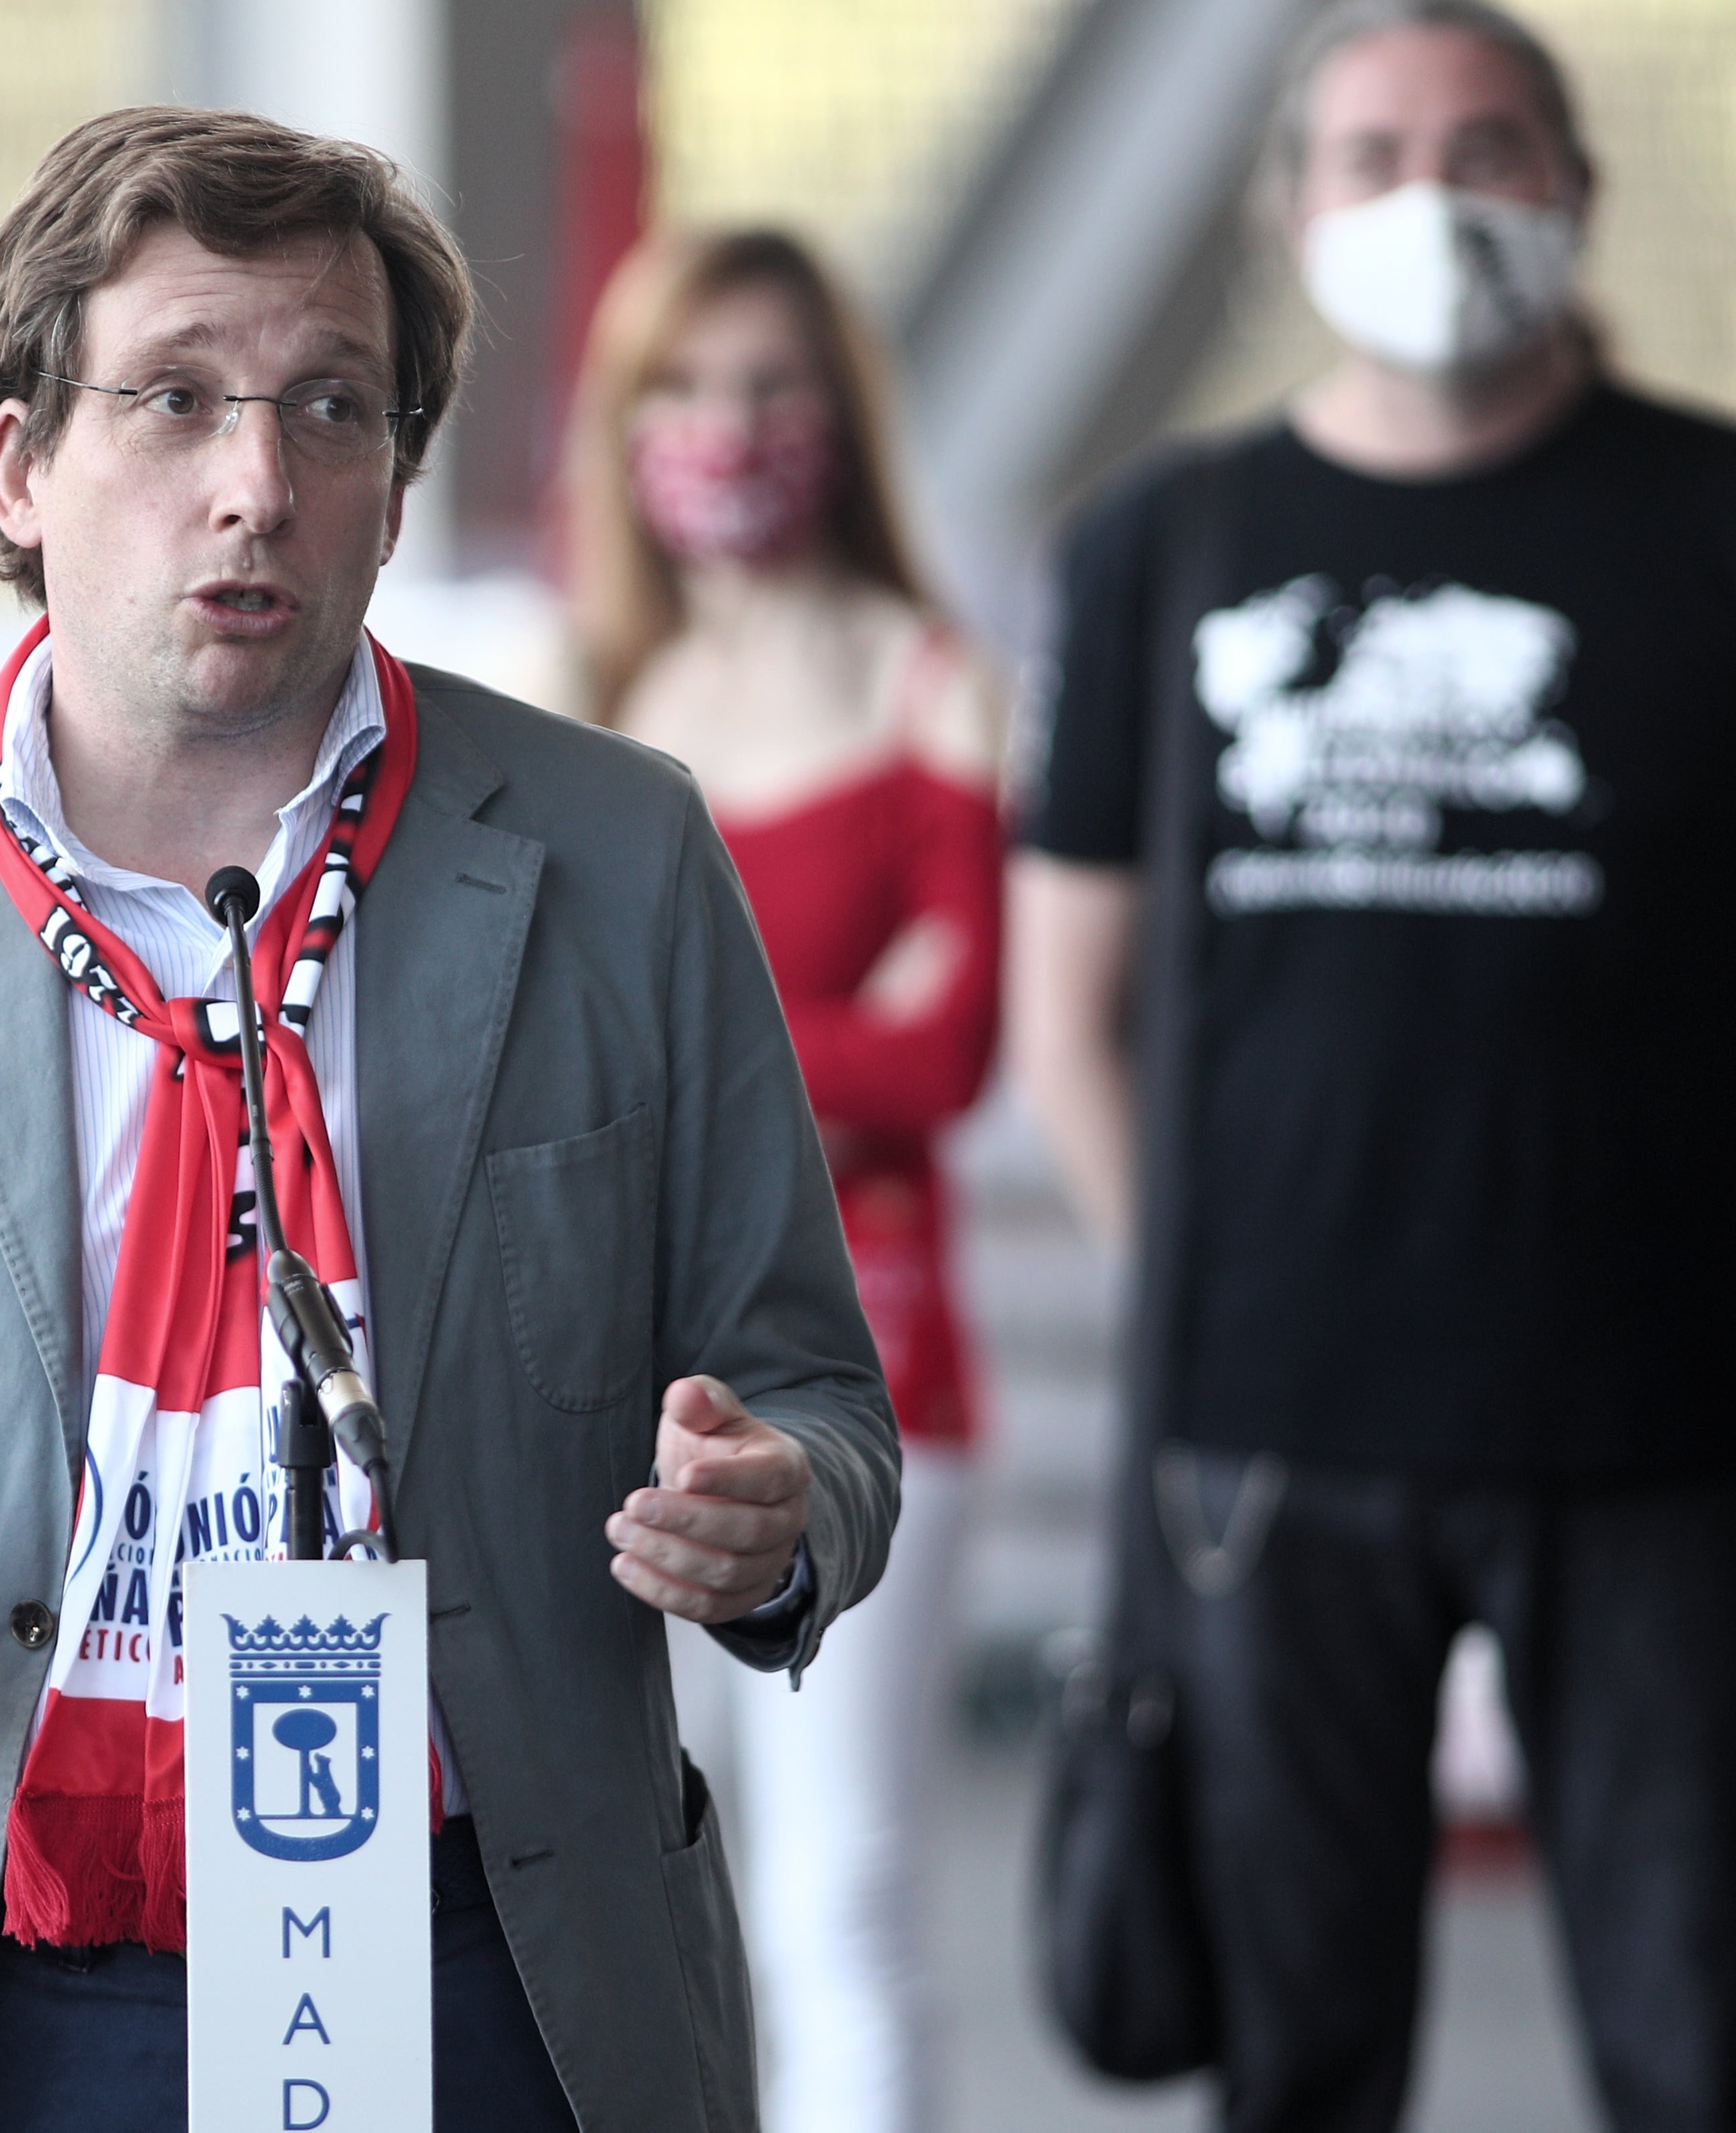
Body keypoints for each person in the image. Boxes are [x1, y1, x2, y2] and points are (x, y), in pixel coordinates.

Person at [0, 107, 901, 2133]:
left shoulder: (614, 855)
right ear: (21, 462)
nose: (256, 483)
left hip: (492, 1967)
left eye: (331, 406)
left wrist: (775, 1523)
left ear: (396, 486)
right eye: (172, 400)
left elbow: (820, 1407)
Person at [1011, 6, 1736, 2129]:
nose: (1436, 196)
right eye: (1377, 153)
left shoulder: (1712, 521)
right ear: (1292, 213)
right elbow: (1070, 1011)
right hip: (1273, 1441)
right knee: (1297, 2054)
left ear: (1574, 188)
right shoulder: (1165, 542)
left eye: (1489, 147)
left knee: (1696, 2032)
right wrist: (1204, 1312)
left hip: (1662, 1428)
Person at [564, 228, 1005, 2133]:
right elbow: (536, 1065)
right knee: (650, 1898)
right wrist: (815, 1039)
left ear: (838, 416)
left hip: (877, 1367)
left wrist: (694, 1069)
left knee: (839, 1898)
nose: (726, 430)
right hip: (612, 1386)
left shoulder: (935, 687)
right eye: (683, 389)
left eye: (769, 385)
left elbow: (950, 1056)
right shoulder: (592, 699)